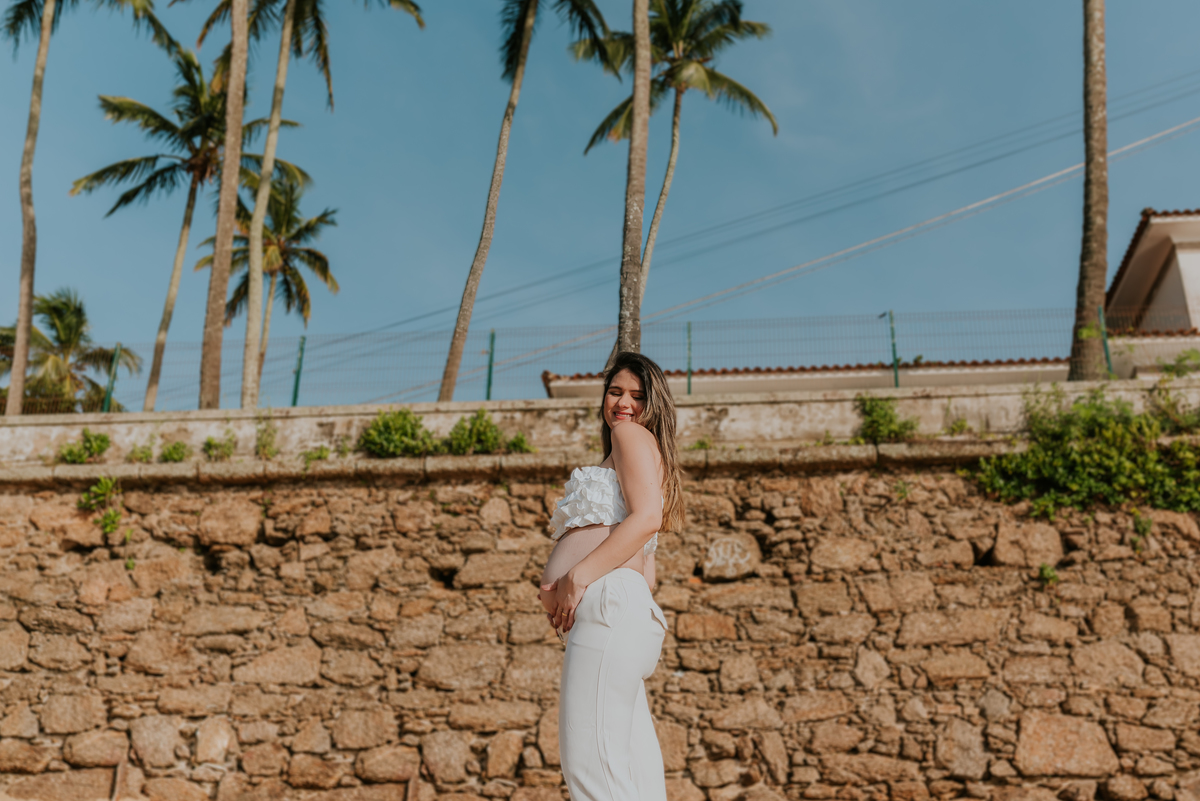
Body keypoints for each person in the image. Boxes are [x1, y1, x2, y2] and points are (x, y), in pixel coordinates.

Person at [538, 352, 685, 801]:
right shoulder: (641, 451)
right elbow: (647, 567)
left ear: (653, 403)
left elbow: (645, 521)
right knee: (632, 772)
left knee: (591, 762)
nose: (623, 403)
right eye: (615, 391)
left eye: (637, 396)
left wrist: (578, 578)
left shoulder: (628, 435)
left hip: (610, 608)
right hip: (623, 612)